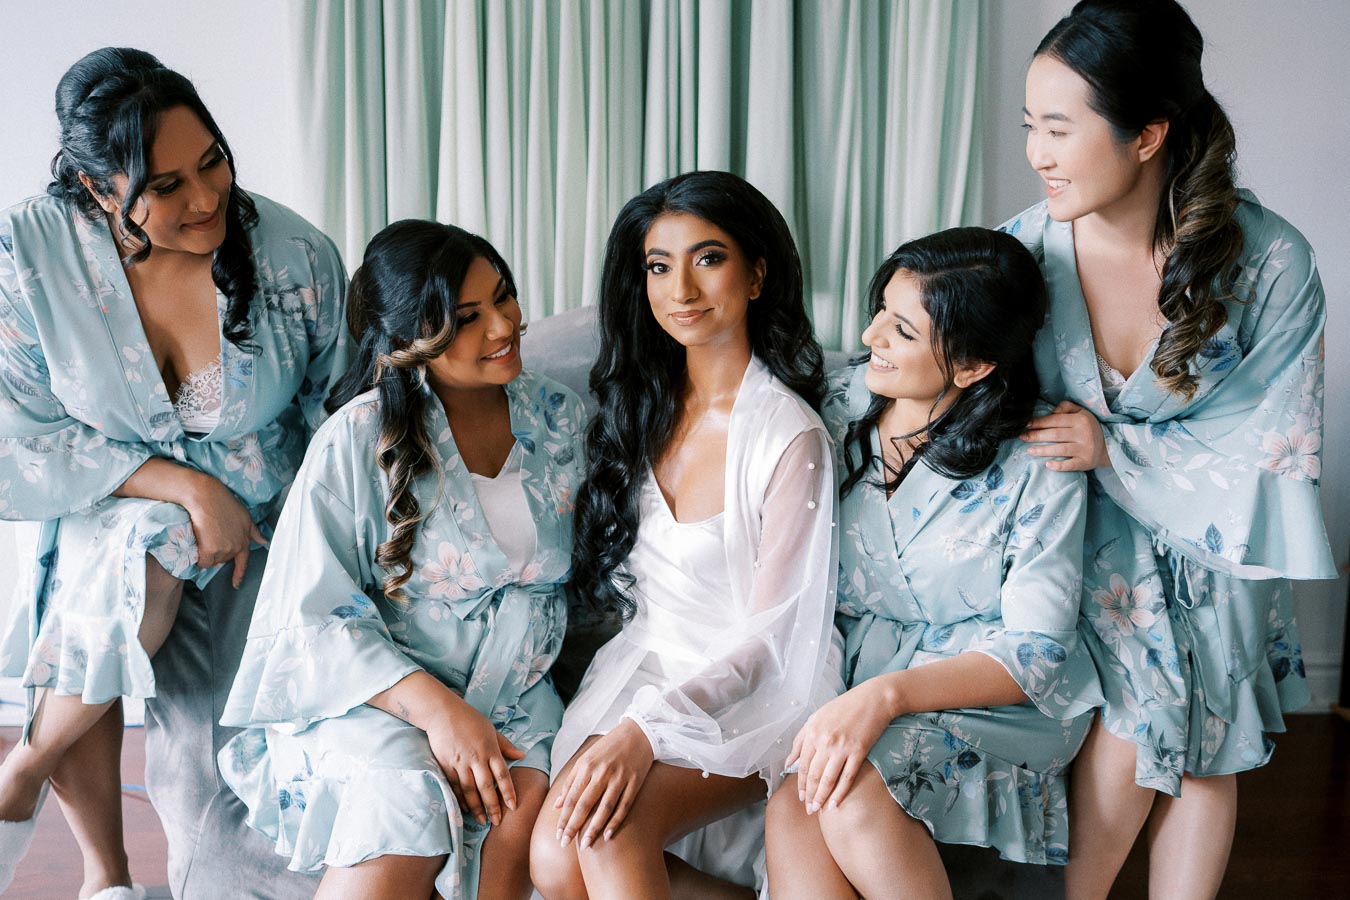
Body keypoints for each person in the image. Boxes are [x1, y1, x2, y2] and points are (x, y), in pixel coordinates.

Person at [0, 48, 349, 898]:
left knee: (246, 740)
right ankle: (104, 876)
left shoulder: (294, 255)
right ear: (95, 191)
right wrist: (188, 488)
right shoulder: (25, 256)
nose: (205, 200)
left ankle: (24, 768)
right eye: (163, 187)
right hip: (107, 493)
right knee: (130, 555)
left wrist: (306, 541)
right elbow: (16, 431)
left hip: (267, 506)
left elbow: (342, 417)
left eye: (212, 162)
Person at [1008, 1, 1336, 895]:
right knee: (1135, 722)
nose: (1038, 153)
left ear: (1147, 133)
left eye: (1061, 129)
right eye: (1030, 126)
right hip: (1077, 540)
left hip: (1213, 536)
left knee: (1206, 745)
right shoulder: (1018, 257)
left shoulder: (1271, 264)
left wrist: (1113, 452)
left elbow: (1273, 447)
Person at [218, 220, 584, 900]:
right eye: (466, 318)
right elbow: (311, 618)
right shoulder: (356, 439)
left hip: (517, 699)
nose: (503, 327)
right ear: (407, 337)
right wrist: (441, 714)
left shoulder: (561, 419)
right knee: (404, 801)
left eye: (503, 298)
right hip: (378, 698)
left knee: (517, 814)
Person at [528, 171, 840, 899]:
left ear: (758, 272)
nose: (681, 290)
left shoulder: (791, 436)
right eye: (659, 266)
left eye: (708, 258)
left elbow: (772, 642)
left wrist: (644, 734)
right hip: (651, 664)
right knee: (552, 859)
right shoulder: (642, 407)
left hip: (760, 685)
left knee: (610, 830)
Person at [765, 227, 1101, 898]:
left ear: (974, 365)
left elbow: (1035, 651)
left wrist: (885, 697)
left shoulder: (1040, 454)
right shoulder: (832, 411)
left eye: (901, 330)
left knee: (849, 789)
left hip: (990, 695)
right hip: (860, 681)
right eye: (879, 313)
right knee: (793, 803)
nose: (868, 339)